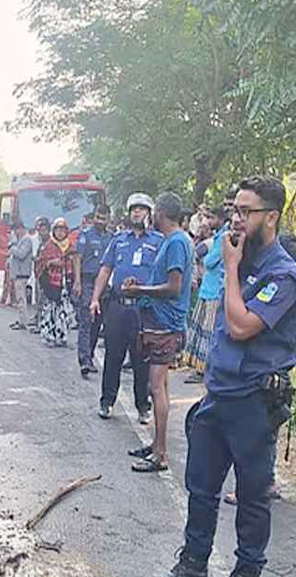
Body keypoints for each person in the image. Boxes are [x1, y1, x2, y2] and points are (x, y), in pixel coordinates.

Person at [167, 176, 296, 577]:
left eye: (246, 212)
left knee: (253, 500)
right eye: (233, 211)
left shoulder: (282, 274)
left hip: (253, 405)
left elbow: (241, 327)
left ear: (271, 217)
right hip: (218, 396)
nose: (235, 221)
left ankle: (248, 569)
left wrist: (233, 267)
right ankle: (193, 562)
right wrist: (235, 267)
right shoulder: (240, 262)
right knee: (201, 490)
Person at [121, 193, 193, 473]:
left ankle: (161, 453)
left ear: (160, 212)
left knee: (157, 387)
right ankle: (156, 444)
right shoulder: (174, 241)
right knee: (160, 388)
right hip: (160, 321)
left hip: (166, 324)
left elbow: (173, 287)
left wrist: (139, 290)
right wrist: (141, 285)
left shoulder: (175, 242)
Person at [90, 193, 163, 422]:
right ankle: (107, 402)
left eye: (141, 209)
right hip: (118, 306)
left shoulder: (159, 242)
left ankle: (143, 406)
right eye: (133, 209)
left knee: (141, 359)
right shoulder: (119, 240)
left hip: (144, 309)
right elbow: (105, 270)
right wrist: (95, 298)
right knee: (113, 356)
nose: (136, 213)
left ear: (149, 214)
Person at [182, 207, 224, 384]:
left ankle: (203, 370)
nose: (206, 220)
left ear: (220, 219)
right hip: (208, 288)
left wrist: (205, 259)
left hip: (214, 290)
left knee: (207, 331)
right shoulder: (217, 236)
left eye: (210, 217)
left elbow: (210, 261)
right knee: (201, 329)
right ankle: (199, 368)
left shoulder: (223, 238)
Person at [73, 204, 112, 377]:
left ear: (108, 219)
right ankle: (84, 360)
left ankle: (89, 354)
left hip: (104, 284)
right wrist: (77, 281)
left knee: (97, 322)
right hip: (87, 280)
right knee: (86, 320)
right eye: (98, 217)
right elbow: (77, 258)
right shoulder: (86, 235)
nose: (100, 221)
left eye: (103, 218)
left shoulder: (112, 238)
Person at [36, 217, 77, 347]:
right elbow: (40, 264)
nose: (60, 233)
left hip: (65, 283)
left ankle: (62, 336)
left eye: (63, 230)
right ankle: (50, 336)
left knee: (64, 311)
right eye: (58, 230)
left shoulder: (71, 246)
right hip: (51, 284)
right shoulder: (48, 246)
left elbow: (76, 263)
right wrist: (51, 263)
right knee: (51, 311)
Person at [8, 220, 34, 331]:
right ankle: (21, 319)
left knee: (21, 298)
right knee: (19, 298)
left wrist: (13, 247)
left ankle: (23, 322)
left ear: (21, 229)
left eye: (16, 230)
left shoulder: (27, 240)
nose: (16, 232)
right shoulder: (21, 240)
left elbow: (21, 254)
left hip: (22, 273)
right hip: (17, 273)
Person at [30, 216, 51, 333]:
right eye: (40, 230)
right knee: (39, 301)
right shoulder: (41, 243)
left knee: (43, 302)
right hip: (39, 275)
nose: (42, 233)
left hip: (46, 277)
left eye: (44, 230)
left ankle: (42, 325)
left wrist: (38, 259)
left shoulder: (49, 244)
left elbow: (46, 259)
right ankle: (38, 321)